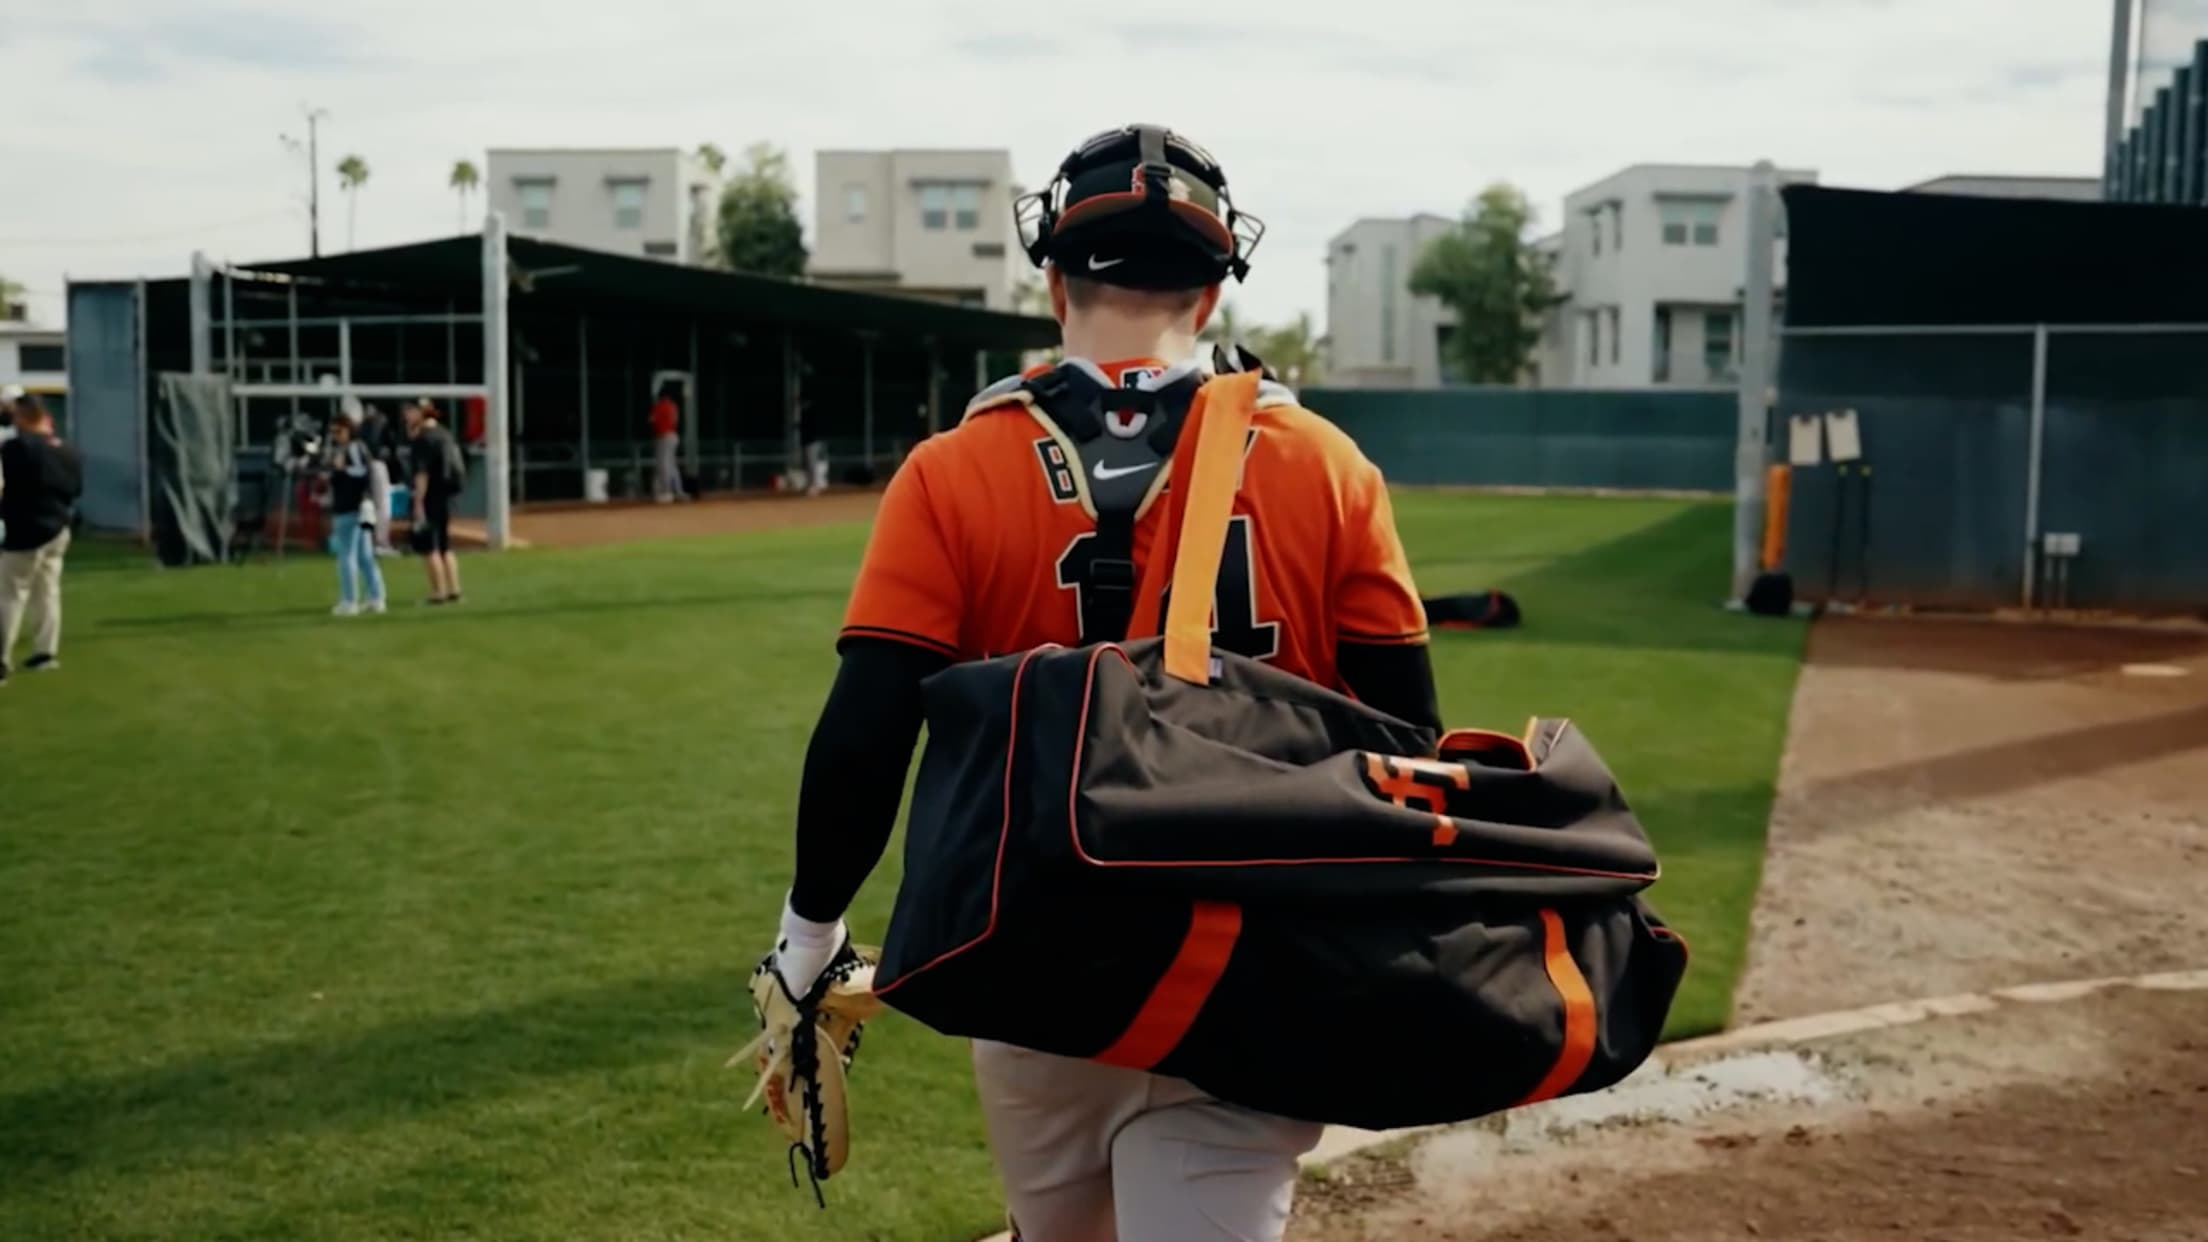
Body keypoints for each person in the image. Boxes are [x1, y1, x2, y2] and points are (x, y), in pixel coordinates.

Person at [754, 124, 1439, 1242]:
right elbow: (1411, 745)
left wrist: (809, 940)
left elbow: (866, 730)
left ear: (1056, 282)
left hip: (1039, 962)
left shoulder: (954, 467)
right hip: (1258, 962)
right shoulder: (1326, 464)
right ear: (1210, 295)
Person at [0, 393, 84, 685]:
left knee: (10, 595)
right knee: (47, 591)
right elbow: (76, 490)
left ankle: (1, 661)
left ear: (21, 417)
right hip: (58, 528)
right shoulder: (70, 452)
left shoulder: (16, 448)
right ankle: (45, 652)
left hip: (24, 530)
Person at [325, 414, 387, 616]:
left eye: (339, 431)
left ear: (349, 430)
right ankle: (376, 597)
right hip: (360, 507)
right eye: (333, 432)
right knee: (365, 555)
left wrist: (341, 469)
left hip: (349, 506)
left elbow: (362, 472)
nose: (335, 436)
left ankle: (349, 600)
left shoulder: (352, 448)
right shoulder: (355, 448)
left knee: (347, 555)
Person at [405, 400, 465, 606]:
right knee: (446, 546)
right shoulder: (445, 434)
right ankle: (454, 589)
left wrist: (418, 502)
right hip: (448, 496)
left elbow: (422, 474)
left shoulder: (423, 439)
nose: (407, 416)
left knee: (429, 546)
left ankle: (438, 592)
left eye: (410, 411)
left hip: (431, 496)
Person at [357, 400, 399, 555]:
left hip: (362, 465)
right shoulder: (378, 421)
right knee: (381, 505)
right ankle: (380, 542)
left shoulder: (363, 423)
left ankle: (369, 543)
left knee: (368, 505)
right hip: (374, 464)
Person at [650, 382, 687, 503]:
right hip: (673, 436)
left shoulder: (659, 405)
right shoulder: (673, 405)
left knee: (664, 465)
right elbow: (675, 421)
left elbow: (651, 420)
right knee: (672, 465)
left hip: (663, 437)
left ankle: (666, 492)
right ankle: (678, 491)